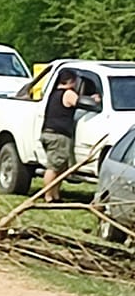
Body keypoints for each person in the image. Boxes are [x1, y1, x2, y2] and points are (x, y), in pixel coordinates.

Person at [41, 71, 100, 203]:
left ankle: (55, 195)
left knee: (60, 168)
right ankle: (48, 196)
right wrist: (94, 100)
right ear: (71, 81)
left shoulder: (54, 94)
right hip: (58, 136)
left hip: (49, 133)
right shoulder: (67, 93)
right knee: (54, 167)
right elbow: (80, 102)